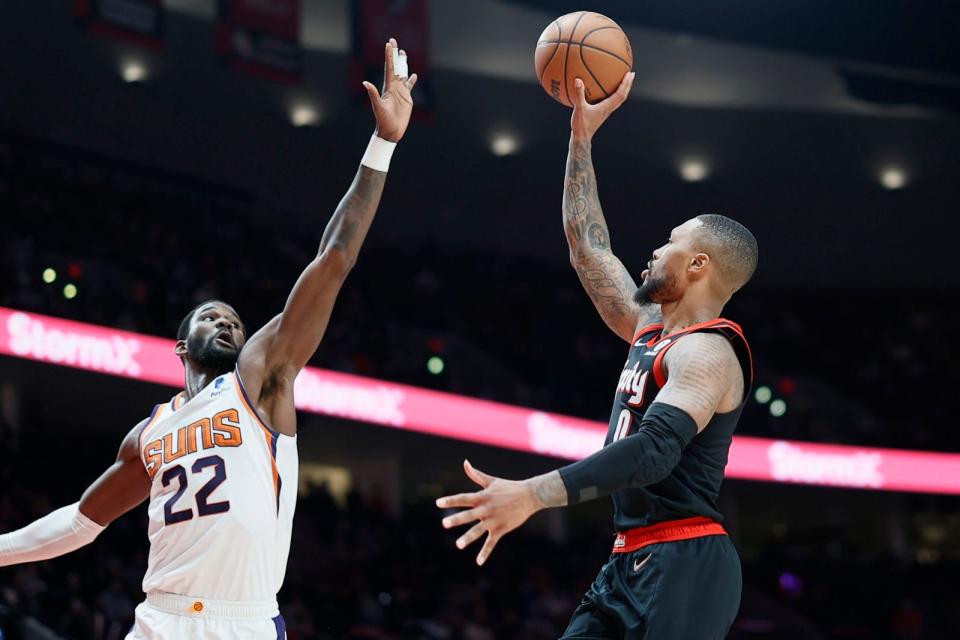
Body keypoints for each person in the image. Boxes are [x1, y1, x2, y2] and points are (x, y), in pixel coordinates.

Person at [0, 38, 417, 640]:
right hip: (159, 619)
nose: (228, 323)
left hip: (239, 622)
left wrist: (383, 144)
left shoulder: (259, 376)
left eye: (236, 321)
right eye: (211, 316)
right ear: (180, 344)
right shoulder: (149, 434)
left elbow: (334, 258)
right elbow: (78, 524)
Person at [436, 72, 758, 639]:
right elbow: (588, 247)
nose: (656, 249)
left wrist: (533, 494)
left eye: (672, 242)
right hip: (626, 555)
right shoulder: (648, 327)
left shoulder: (709, 353)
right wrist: (579, 137)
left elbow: (656, 452)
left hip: (687, 557)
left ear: (699, 265)